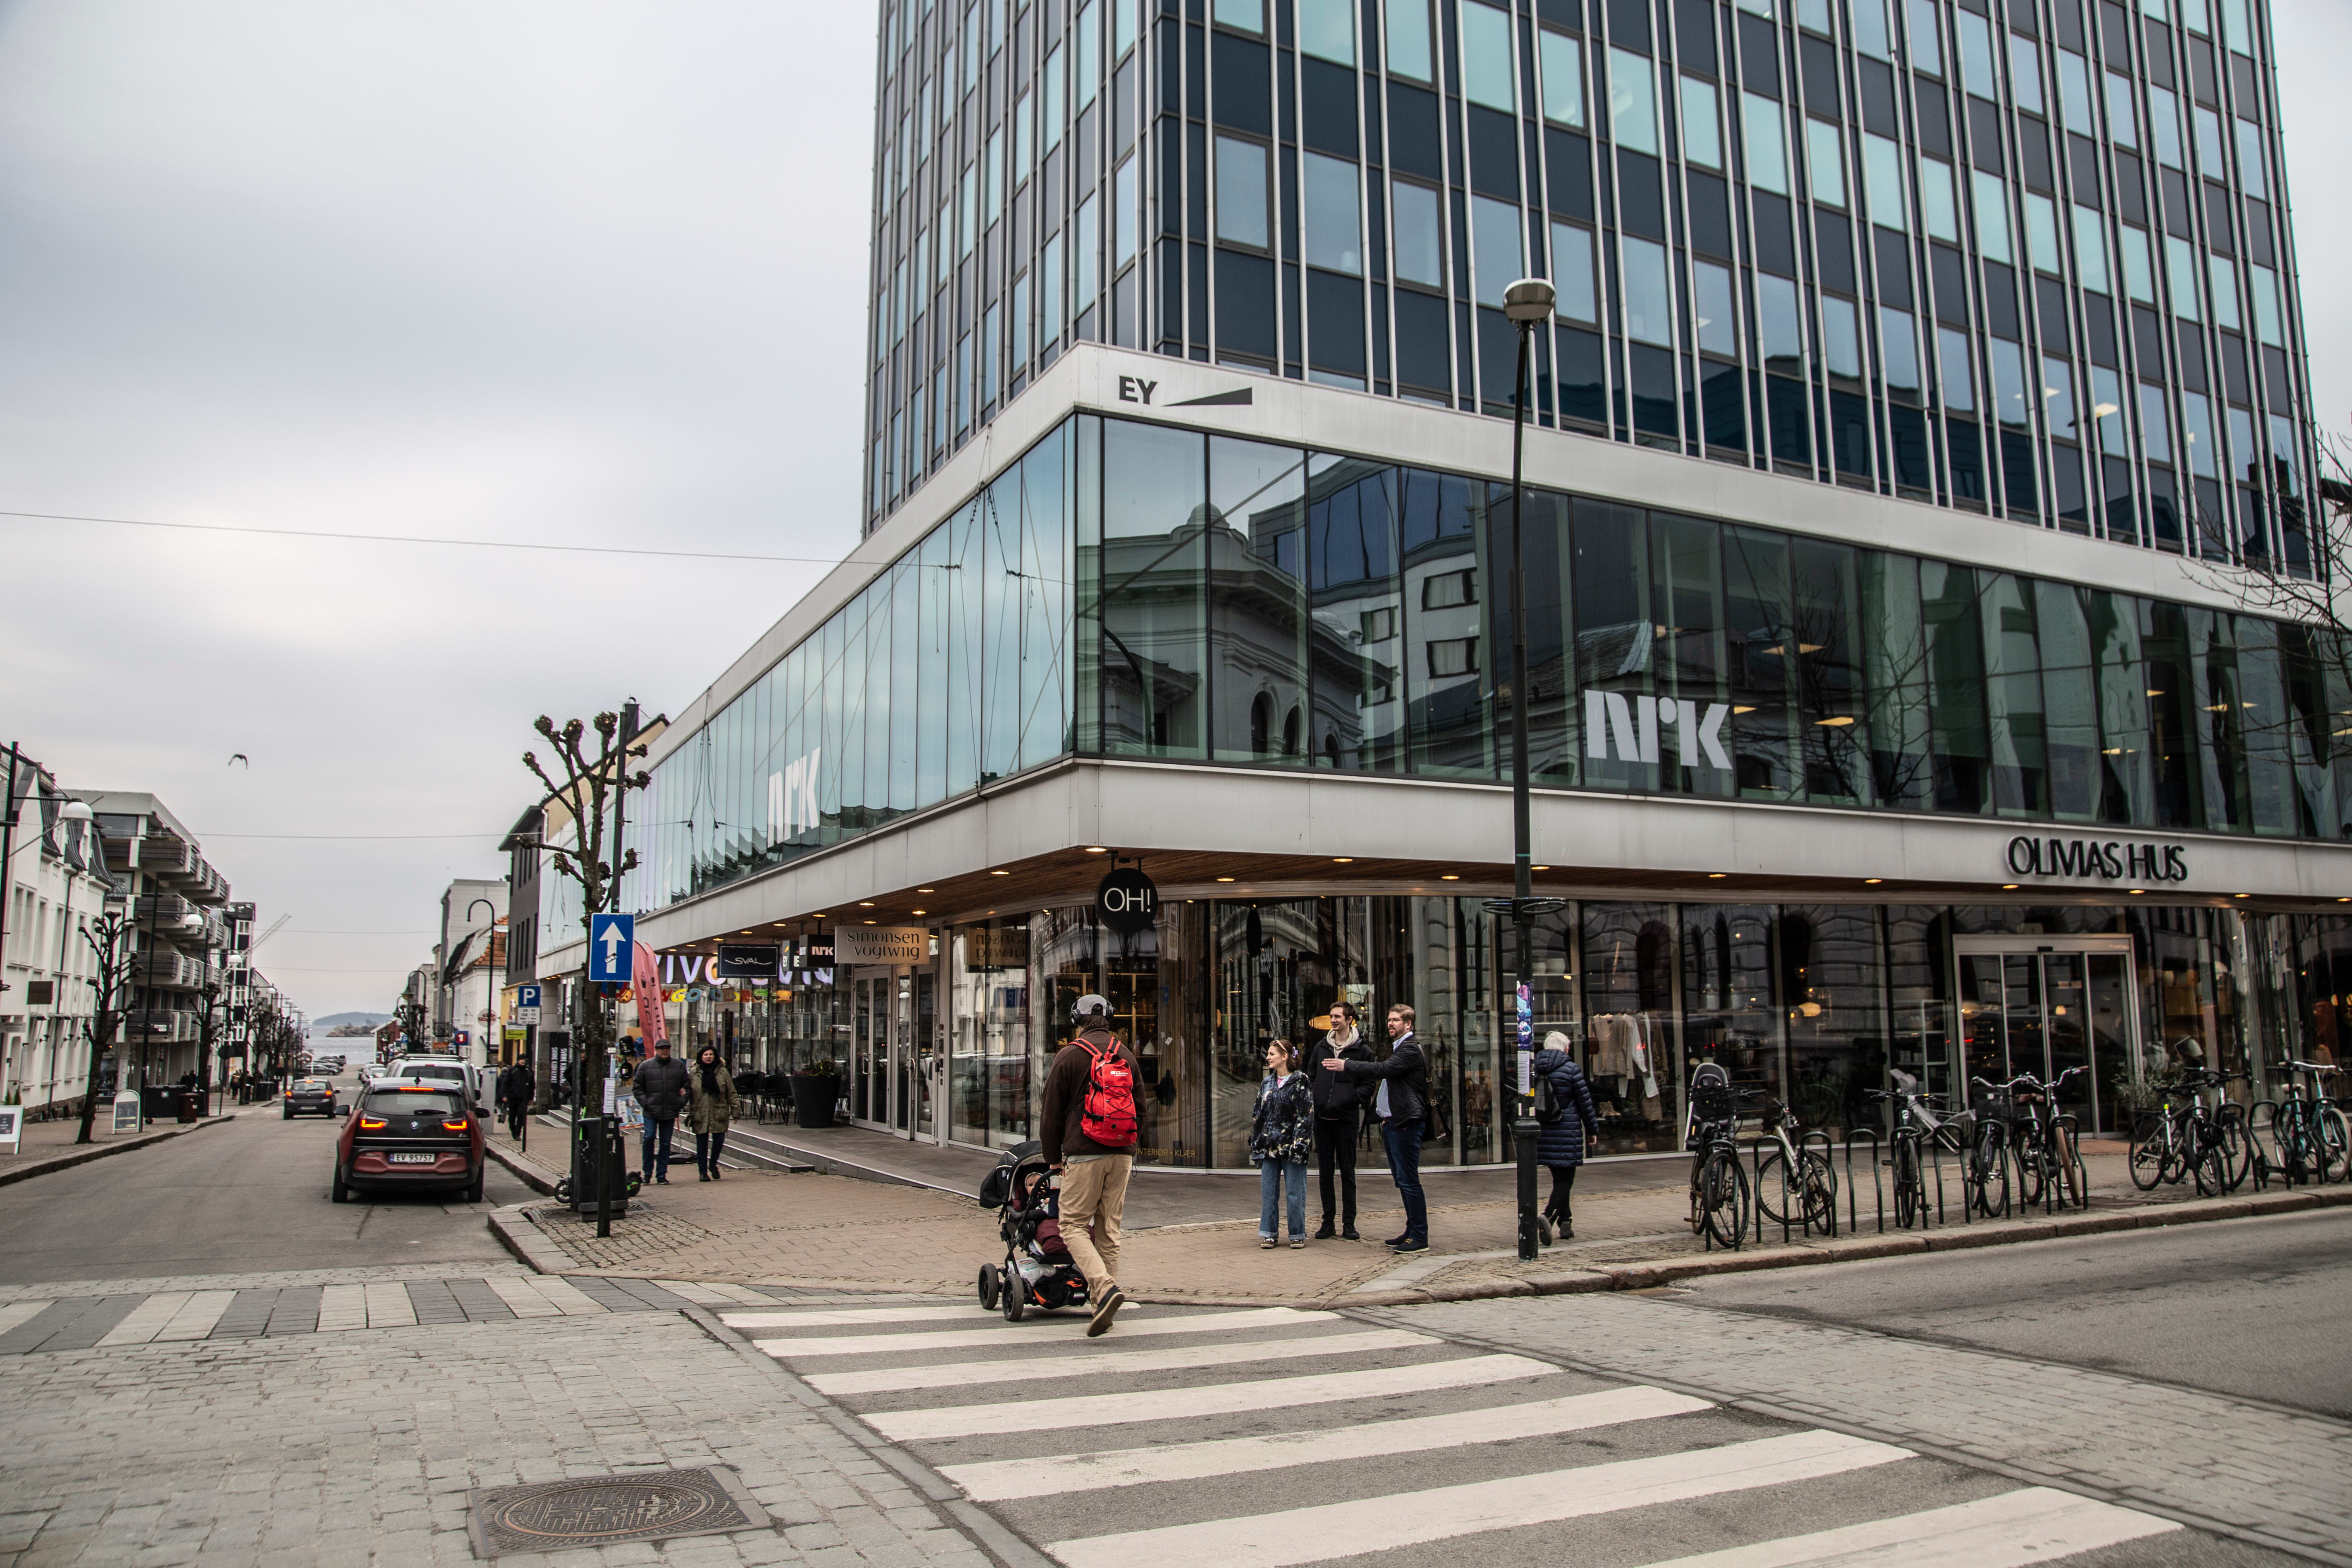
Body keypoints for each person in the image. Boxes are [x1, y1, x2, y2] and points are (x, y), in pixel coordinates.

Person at [1040, 993, 1138, 1336]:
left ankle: (1104, 1287)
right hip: (1122, 1153)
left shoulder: (1069, 1055)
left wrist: (1053, 1158)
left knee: (1072, 1225)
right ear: (1109, 1018)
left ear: (1076, 1021)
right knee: (1108, 1230)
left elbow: (1051, 1113)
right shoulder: (1126, 1055)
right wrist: (1128, 1147)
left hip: (1084, 1153)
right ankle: (1101, 1309)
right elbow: (1141, 1107)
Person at [1325, 1003, 1431, 1253]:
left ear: (1408, 1024)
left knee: (1409, 1181)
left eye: (1396, 1020)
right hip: (1395, 1124)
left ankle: (1420, 1237)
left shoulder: (1410, 1049)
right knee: (1402, 1181)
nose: (1390, 1024)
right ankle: (1412, 1231)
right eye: (1389, 1020)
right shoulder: (1400, 1048)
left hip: (1405, 1124)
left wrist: (1347, 1065)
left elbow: (1383, 1070)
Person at [1528, 1030, 1601, 1243]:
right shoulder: (1571, 1070)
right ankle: (1548, 1216)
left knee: (1560, 1179)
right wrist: (1593, 1130)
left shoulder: (1535, 1069)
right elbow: (1585, 1103)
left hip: (1544, 1132)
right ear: (1566, 1049)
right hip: (1567, 1132)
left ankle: (1566, 1223)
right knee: (1565, 1180)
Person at [1309, 1002, 1373, 1239]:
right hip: (1323, 1120)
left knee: (1348, 1172)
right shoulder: (1321, 1047)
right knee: (1325, 1173)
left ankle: (1349, 1224)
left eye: (1338, 1017)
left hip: (1346, 1120)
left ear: (1349, 1020)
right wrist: (1317, 1099)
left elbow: (1369, 1084)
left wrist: (1350, 1098)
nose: (1333, 1020)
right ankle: (1328, 1222)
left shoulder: (1362, 1051)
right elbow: (1311, 1077)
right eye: (1332, 1016)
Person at [1250, 1040, 1317, 1248]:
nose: (1268, 1058)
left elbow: (1306, 1116)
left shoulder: (1301, 1081)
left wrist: (1299, 1145)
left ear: (1285, 1056)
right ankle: (1269, 1233)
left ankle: (1297, 1234)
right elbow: (1257, 1112)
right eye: (1268, 1054)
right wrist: (1258, 1140)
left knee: (1295, 1193)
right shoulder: (1267, 1082)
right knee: (1269, 1193)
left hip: (1292, 1148)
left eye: (1272, 1054)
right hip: (1269, 1147)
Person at [631, 1038, 689, 1184]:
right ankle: (647, 1173)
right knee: (649, 1138)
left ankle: (662, 1174)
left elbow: (688, 1087)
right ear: (656, 1050)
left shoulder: (678, 1066)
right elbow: (637, 1088)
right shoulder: (645, 1066)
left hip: (670, 1110)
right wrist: (646, 1103)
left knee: (665, 1143)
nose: (664, 1051)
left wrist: (680, 1102)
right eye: (661, 1048)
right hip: (651, 1110)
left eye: (667, 1048)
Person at [687, 1044, 738, 1181]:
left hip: (718, 1112)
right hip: (700, 1112)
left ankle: (713, 1164)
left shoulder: (723, 1073)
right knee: (702, 1144)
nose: (709, 1057)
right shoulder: (694, 1073)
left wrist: (736, 1111)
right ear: (701, 1057)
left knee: (719, 1140)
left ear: (715, 1057)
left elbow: (732, 1093)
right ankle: (703, 1172)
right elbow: (688, 1091)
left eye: (711, 1054)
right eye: (706, 1055)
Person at [501, 1059, 536, 1140]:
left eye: (524, 1060)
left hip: (523, 1098)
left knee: (522, 1114)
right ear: (518, 1061)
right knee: (512, 1116)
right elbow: (505, 1084)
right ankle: (513, 1130)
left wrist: (531, 1098)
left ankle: (518, 1133)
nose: (523, 1061)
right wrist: (505, 1095)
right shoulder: (512, 1070)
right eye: (521, 1060)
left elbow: (532, 1086)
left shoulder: (529, 1071)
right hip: (513, 1097)